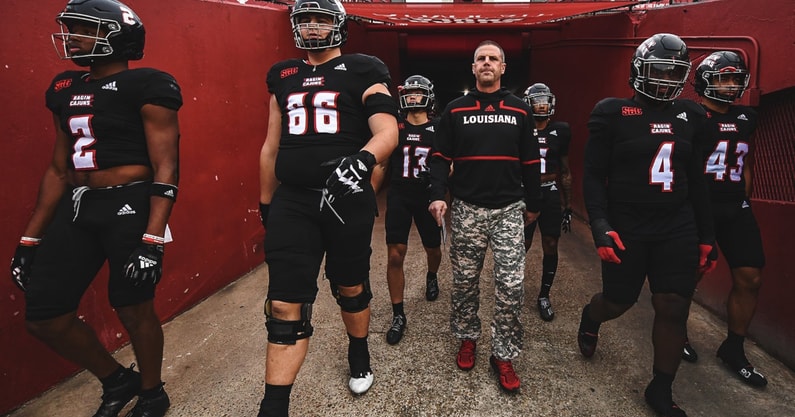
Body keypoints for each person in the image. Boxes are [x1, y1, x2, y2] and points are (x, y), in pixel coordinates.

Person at [9, 1, 181, 416]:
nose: (73, 37)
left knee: (132, 305)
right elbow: (57, 167)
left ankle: (153, 391)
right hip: (79, 203)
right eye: (72, 28)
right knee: (44, 314)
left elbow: (167, 164)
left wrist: (153, 238)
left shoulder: (148, 84)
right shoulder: (65, 88)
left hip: (130, 201)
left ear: (116, 36)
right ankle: (116, 379)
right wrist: (30, 239)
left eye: (84, 29)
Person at [256, 0, 398, 415]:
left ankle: (358, 350)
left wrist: (364, 157)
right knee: (284, 302)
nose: (313, 27)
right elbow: (270, 146)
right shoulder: (283, 75)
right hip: (293, 199)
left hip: (346, 197)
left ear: (338, 25)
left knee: (348, 286)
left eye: (321, 19)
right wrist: (266, 203)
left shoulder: (364, 69)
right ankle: (274, 405)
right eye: (304, 20)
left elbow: (388, 128)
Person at [577, 33, 716, 417]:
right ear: (639, 70)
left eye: (674, 73)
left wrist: (707, 236)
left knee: (672, 305)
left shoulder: (692, 116)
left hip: (677, 224)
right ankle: (591, 316)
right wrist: (601, 224)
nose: (665, 80)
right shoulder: (613, 112)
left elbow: (697, 180)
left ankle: (661, 387)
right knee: (618, 302)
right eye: (658, 71)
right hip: (628, 223)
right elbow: (592, 175)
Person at [428, 40, 541, 393]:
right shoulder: (455, 110)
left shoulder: (521, 110)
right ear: (473, 68)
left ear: (503, 68)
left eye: (493, 58)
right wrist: (437, 196)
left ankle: (503, 354)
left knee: (510, 286)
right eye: (481, 59)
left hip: (509, 209)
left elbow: (532, 162)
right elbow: (439, 157)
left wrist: (534, 205)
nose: (487, 63)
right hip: (467, 209)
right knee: (464, 283)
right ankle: (467, 336)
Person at [680, 50, 768, 387]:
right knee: (689, 277)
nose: (731, 85)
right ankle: (678, 333)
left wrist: (745, 198)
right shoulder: (691, 115)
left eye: (735, 78)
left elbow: (745, 162)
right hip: (697, 205)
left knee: (751, 276)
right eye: (723, 77)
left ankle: (733, 348)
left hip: (735, 205)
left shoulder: (747, 117)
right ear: (705, 81)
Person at [373, 75, 442, 346]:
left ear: (428, 97)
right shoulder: (395, 127)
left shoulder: (439, 128)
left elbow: (449, 164)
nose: (412, 97)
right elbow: (381, 164)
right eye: (409, 93)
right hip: (400, 195)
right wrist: (369, 195)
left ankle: (432, 275)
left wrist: (440, 183)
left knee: (433, 249)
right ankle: (398, 314)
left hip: (426, 197)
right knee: (394, 255)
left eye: (417, 93)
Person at [521, 83, 573, 322]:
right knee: (522, 243)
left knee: (551, 243)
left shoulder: (560, 130)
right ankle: (515, 287)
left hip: (550, 191)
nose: (541, 104)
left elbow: (565, 169)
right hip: (526, 192)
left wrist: (568, 205)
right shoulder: (520, 130)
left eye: (544, 100)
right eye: (536, 100)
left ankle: (544, 294)